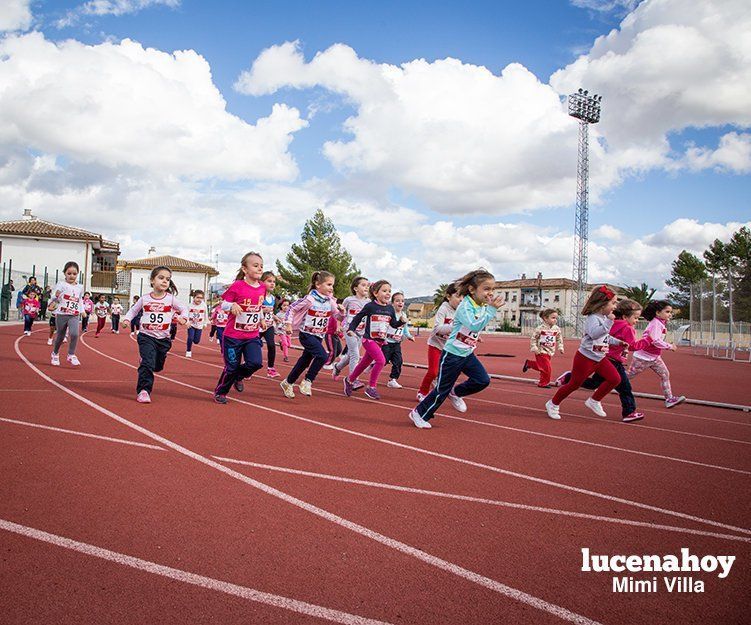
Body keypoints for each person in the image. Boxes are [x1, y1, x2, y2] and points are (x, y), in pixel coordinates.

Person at [408, 270, 504, 428]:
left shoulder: (481, 305)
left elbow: (470, 328)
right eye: (486, 289)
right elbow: (474, 324)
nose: (490, 293)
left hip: (467, 353)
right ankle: (419, 413)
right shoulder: (465, 306)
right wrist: (492, 310)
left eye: (492, 289)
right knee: (441, 390)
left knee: (482, 380)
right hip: (453, 354)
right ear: (472, 290)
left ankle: (456, 392)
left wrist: (474, 336)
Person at [559, 299, 649, 423]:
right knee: (625, 388)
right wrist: (647, 341)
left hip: (604, 357)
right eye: (635, 317)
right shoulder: (627, 328)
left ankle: (569, 377)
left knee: (594, 383)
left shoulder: (610, 323)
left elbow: (604, 337)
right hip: (613, 361)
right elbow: (632, 345)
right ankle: (629, 412)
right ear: (624, 316)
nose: (636, 321)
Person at [545, 286, 627, 420]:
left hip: (599, 358)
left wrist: (618, 342)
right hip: (586, 358)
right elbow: (595, 334)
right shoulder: (593, 318)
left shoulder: (604, 319)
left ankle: (594, 400)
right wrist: (609, 321)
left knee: (615, 379)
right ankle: (553, 404)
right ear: (602, 304)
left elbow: (604, 337)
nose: (615, 306)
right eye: (613, 303)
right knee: (574, 384)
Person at [121, 266, 187, 403]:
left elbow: (183, 308)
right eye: (161, 278)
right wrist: (127, 319)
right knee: (147, 363)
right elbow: (133, 310)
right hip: (146, 336)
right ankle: (144, 391)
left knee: (158, 366)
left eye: (167, 279)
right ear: (152, 281)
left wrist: (184, 318)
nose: (164, 281)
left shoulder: (170, 299)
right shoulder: (144, 299)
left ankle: (147, 361)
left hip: (163, 338)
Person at [213, 252, 267, 404]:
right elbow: (222, 304)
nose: (259, 268)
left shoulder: (262, 287)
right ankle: (221, 392)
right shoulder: (237, 286)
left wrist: (261, 319)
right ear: (245, 269)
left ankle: (239, 376)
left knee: (256, 363)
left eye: (261, 266)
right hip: (233, 337)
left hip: (252, 335)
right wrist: (232, 305)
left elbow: (258, 307)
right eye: (255, 266)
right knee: (231, 367)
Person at [343, 279, 406, 401]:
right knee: (381, 361)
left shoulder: (390, 309)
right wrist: (351, 329)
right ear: (376, 293)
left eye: (389, 291)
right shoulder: (370, 306)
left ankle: (349, 380)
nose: (388, 293)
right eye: (384, 291)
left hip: (380, 341)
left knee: (363, 364)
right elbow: (357, 317)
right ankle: (371, 387)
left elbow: (393, 324)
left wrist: (401, 322)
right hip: (369, 340)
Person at [280, 271, 339, 399]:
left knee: (304, 361)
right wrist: (288, 323)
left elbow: (337, 315)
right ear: (318, 284)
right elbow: (292, 308)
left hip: (319, 336)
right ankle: (308, 381)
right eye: (328, 284)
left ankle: (288, 382)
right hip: (306, 334)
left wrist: (343, 313)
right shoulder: (310, 299)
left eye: (332, 285)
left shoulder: (331, 302)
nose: (331, 288)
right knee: (323, 356)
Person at [628, 300, 686, 408]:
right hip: (643, 357)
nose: (670, 314)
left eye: (670, 312)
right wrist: (670, 346)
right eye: (667, 312)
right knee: (629, 376)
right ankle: (606, 384)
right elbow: (655, 341)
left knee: (665, 374)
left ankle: (669, 399)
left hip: (654, 357)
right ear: (658, 313)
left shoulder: (660, 323)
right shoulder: (656, 323)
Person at [417, 284, 461, 401]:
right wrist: (453, 326)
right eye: (457, 296)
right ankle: (422, 391)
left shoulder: (462, 311)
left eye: (463, 296)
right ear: (448, 296)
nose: (460, 299)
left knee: (449, 373)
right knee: (432, 371)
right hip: (436, 345)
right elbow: (437, 329)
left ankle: (438, 384)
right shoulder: (444, 309)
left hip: (449, 348)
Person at [332, 276, 370, 386]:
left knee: (350, 356)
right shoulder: (349, 300)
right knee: (355, 355)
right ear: (355, 288)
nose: (366, 287)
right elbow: (340, 316)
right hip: (349, 330)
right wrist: (339, 323)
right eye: (363, 285)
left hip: (361, 332)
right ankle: (353, 380)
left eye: (367, 286)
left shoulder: (369, 302)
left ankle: (337, 367)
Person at [48, 262, 87, 367]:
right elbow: (54, 297)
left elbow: (79, 300)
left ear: (77, 274)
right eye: (69, 273)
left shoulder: (80, 287)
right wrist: (51, 304)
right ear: (64, 273)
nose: (72, 276)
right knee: (60, 336)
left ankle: (71, 355)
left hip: (74, 314)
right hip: (62, 313)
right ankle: (55, 354)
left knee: (75, 334)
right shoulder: (61, 284)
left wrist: (82, 311)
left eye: (74, 274)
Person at [523, 309, 564, 388]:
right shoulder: (539, 329)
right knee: (547, 368)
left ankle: (529, 364)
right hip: (540, 351)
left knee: (542, 366)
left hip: (550, 351)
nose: (555, 320)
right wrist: (534, 348)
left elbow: (559, 338)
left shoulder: (557, 329)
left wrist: (560, 347)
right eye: (553, 318)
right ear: (545, 318)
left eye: (556, 318)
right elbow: (533, 339)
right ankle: (543, 383)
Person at [382, 291, 415, 389]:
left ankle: (392, 380)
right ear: (392, 303)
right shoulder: (389, 314)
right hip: (386, 342)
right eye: (397, 301)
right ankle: (373, 363)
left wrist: (409, 336)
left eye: (402, 301)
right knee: (383, 361)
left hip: (396, 344)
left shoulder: (404, 315)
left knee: (398, 361)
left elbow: (405, 328)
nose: (400, 303)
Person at [260, 271, 280, 378]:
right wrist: (263, 311)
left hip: (269, 326)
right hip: (257, 327)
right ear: (262, 282)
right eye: (269, 281)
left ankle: (271, 369)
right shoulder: (259, 296)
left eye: (274, 282)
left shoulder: (272, 298)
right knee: (256, 348)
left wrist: (275, 317)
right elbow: (254, 310)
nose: (272, 284)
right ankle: (247, 367)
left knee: (272, 345)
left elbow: (270, 312)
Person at [185, 289, 209, 358]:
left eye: (201, 298)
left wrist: (205, 323)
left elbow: (205, 315)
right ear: (194, 297)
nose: (199, 299)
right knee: (190, 337)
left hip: (199, 325)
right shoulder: (189, 306)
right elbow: (186, 314)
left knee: (196, 341)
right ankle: (188, 351)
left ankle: (193, 342)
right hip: (191, 324)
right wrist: (187, 322)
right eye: (198, 297)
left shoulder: (204, 306)